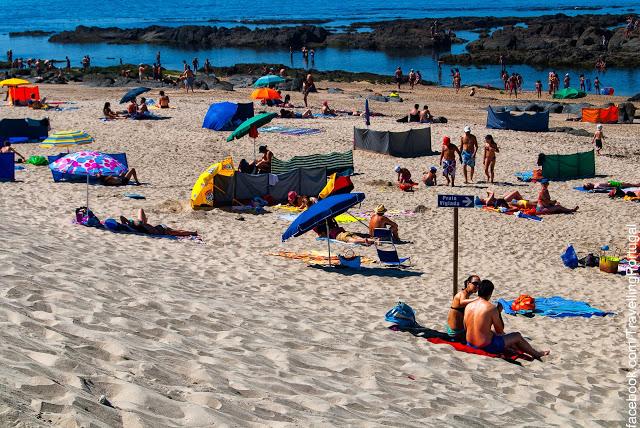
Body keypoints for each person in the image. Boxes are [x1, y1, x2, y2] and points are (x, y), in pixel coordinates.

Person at [464, 280, 549, 359]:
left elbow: (465, 326)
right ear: (490, 293)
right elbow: (500, 330)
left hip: (470, 343)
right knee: (517, 335)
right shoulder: (490, 308)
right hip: (485, 346)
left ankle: (514, 347)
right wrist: (498, 312)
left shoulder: (468, 305)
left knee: (492, 332)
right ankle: (537, 354)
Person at [119, 209, 197, 237]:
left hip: (162, 230)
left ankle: (192, 233)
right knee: (177, 231)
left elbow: (122, 218)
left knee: (178, 232)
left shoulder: (139, 227)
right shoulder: (136, 223)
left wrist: (124, 224)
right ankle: (192, 232)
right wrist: (125, 223)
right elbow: (122, 217)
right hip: (160, 228)